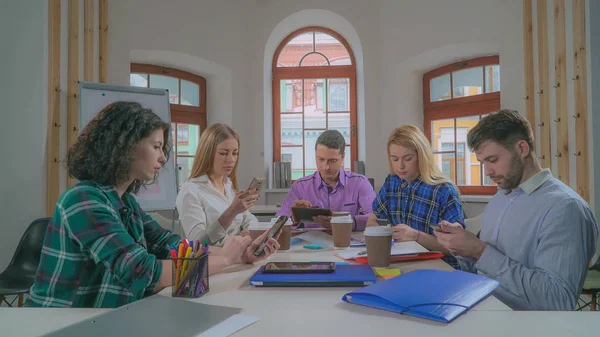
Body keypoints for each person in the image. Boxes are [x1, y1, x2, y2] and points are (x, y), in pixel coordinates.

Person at [25, 102, 279, 308]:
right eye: (156, 146)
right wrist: (225, 260)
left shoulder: (126, 203)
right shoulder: (83, 201)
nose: (163, 157)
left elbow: (173, 246)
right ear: (124, 148)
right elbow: (142, 272)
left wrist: (236, 254)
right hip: (62, 322)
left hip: (109, 315)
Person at [434, 109, 599, 311]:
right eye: (482, 162)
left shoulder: (566, 209)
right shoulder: (498, 200)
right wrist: (462, 248)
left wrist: (479, 250)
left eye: (493, 160)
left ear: (522, 148)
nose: (487, 172)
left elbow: (557, 300)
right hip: (477, 308)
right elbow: (484, 269)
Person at [366, 124, 464, 268]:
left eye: (408, 158)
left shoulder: (443, 190)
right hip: (399, 264)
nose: (400, 166)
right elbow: (371, 222)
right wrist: (387, 233)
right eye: (394, 159)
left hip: (439, 270)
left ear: (422, 156)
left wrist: (416, 236)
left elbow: (457, 247)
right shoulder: (392, 183)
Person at [176, 123, 261, 246]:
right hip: (215, 261)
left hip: (239, 256)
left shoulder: (227, 184)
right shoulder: (190, 191)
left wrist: (248, 231)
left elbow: (248, 218)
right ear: (207, 153)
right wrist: (232, 211)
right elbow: (197, 242)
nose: (231, 159)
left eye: (235, 153)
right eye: (223, 153)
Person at [276, 130, 376, 231]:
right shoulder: (300, 187)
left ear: (342, 157)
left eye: (332, 161)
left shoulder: (359, 183)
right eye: (321, 159)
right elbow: (277, 224)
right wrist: (293, 217)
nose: (326, 167)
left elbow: (376, 218)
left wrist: (346, 222)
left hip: (347, 243)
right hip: (310, 245)